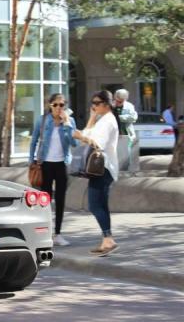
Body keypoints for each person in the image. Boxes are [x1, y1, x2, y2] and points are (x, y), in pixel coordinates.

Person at [73, 90, 119, 256]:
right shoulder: (102, 119)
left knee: (94, 204)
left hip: (103, 168)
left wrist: (80, 136)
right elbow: (87, 133)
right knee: (101, 205)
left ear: (106, 105)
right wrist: (91, 118)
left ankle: (108, 239)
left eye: (96, 103)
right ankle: (107, 240)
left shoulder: (108, 121)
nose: (93, 106)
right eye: (92, 103)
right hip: (102, 168)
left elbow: (97, 143)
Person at [29, 93, 77, 247]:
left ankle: (58, 234)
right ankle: (45, 233)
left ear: (65, 106)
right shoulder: (42, 120)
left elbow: (74, 143)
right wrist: (32, 160)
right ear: (50, 106)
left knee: (61, 200)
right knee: (45, 200)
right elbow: (34, 141)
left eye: (61, 105)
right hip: (45, 165)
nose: (58, 108)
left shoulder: (70, 121)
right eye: (55, 105)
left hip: (62, 164)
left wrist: (67, 125)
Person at [113, 89, 138, 171]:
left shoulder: (129, 106)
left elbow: (133, 118)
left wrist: (118, 118)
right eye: (117, 100)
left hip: (126, 133)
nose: (119, 102)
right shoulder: (110, 105)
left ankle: (124, 170)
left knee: (126, 155)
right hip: (113, 134)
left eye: (121, 101)